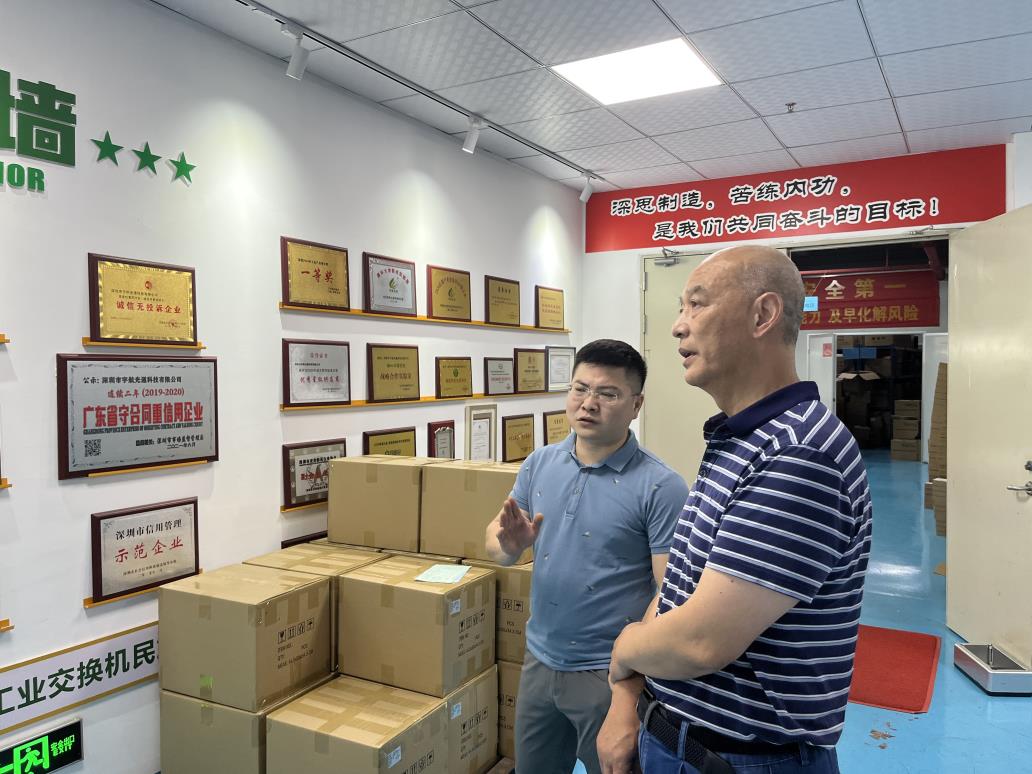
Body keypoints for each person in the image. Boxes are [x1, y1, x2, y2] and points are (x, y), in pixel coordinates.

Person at [598, 245, 872, 774]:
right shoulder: (741, 439)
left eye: (697, 304)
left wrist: (625, 649)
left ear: (763, 315)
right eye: (679, 307)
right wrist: (631, 695)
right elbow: (680, 589)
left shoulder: (799, 452)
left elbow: (702, 641)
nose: (678, 326)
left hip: (743, 759)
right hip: (681, 736)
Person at [485, 339, 690, 774]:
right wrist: (509, 546)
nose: (588, 403)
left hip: (608, 675)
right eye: (580, 389)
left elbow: (669, 594)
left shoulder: (661, 486)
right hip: (539, 659)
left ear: (636, 405)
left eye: (607, 393)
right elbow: (496, 545)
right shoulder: (540, 463)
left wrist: (630, 685)